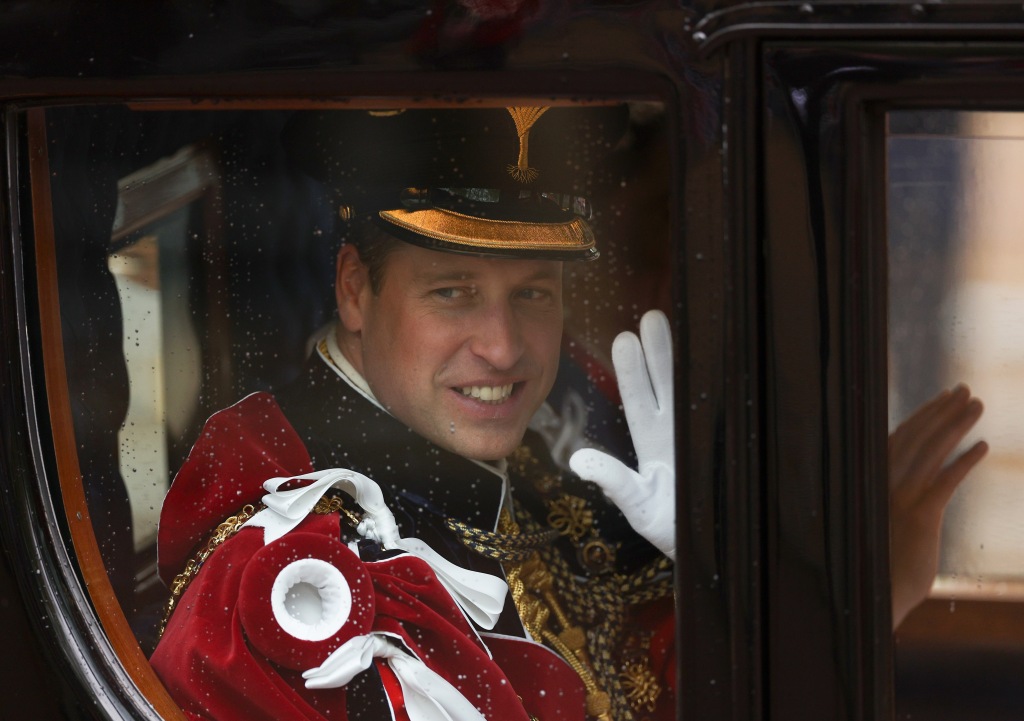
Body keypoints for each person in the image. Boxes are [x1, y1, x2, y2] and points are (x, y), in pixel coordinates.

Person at [149, 105, 986, 721]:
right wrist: (818, 631)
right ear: (356, 287)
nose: (505, 347)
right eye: (453, 292)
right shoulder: (289, 589)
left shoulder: (556, 422)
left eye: (534, 293)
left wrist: (802, 596)